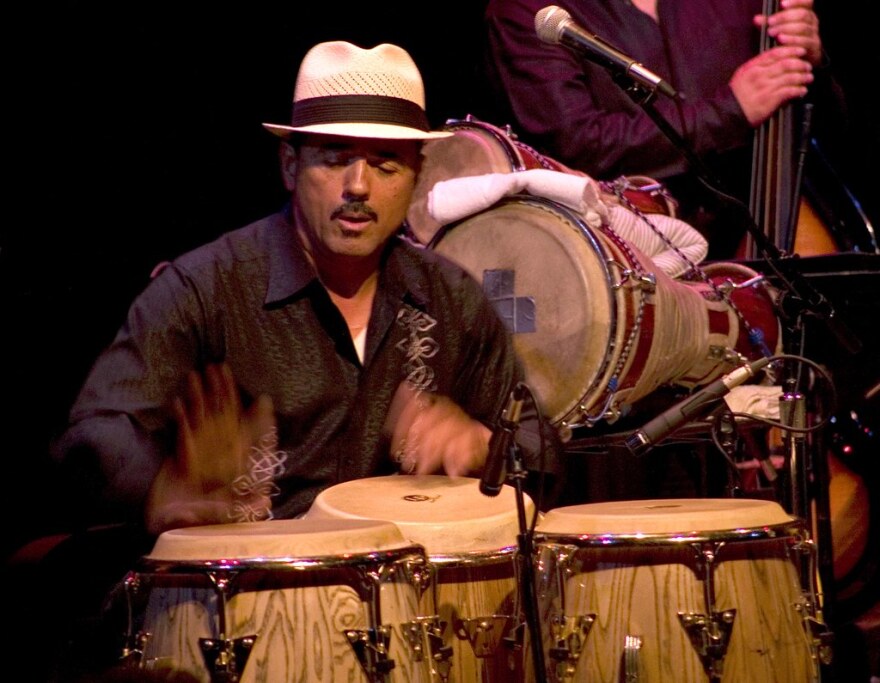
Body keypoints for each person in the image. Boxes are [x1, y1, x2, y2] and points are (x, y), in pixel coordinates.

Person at [32, 40, 558, 681]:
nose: (358, 187)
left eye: (386, 165)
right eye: (335, 159)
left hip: (407, 631)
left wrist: (483, 444)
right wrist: (159, 486)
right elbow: (89, 437)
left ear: (417, 177)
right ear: (289, 164)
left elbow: (539, 442)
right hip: (231, 626)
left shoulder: (451, 299)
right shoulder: (209, 288)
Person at [482, 0, 826, 258]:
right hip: (630, 254)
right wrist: (730, 111)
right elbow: (578, 143)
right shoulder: (527, 10)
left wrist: (807, 58)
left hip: (759, 225)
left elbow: (836, 128)